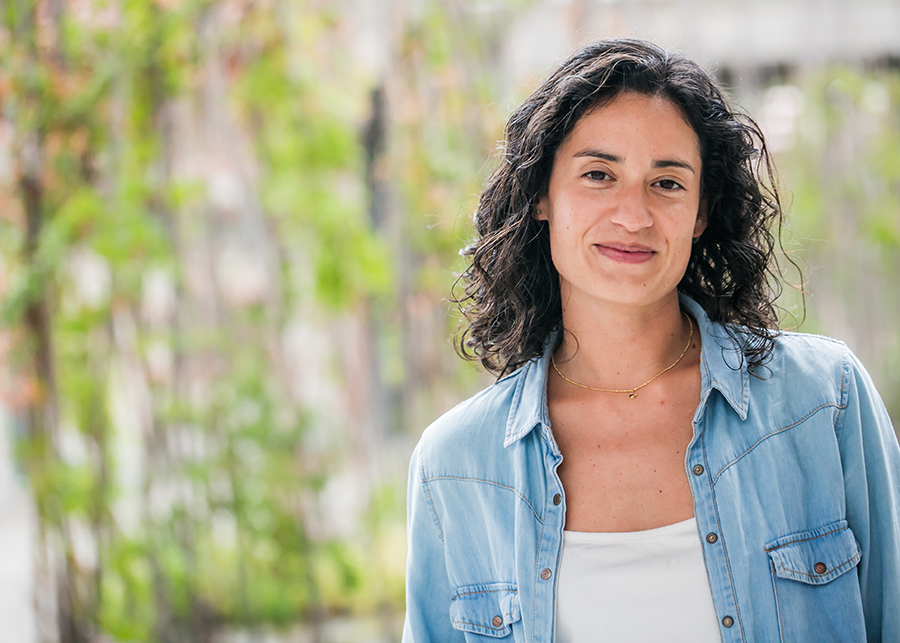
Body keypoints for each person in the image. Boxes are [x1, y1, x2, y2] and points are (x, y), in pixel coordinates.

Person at [402, 39, 900, 643]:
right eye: (598, 175)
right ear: (541, 196)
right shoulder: (456, 465)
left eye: (666, 182)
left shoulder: (823, 401)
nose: (633, 216)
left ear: (700, 212)